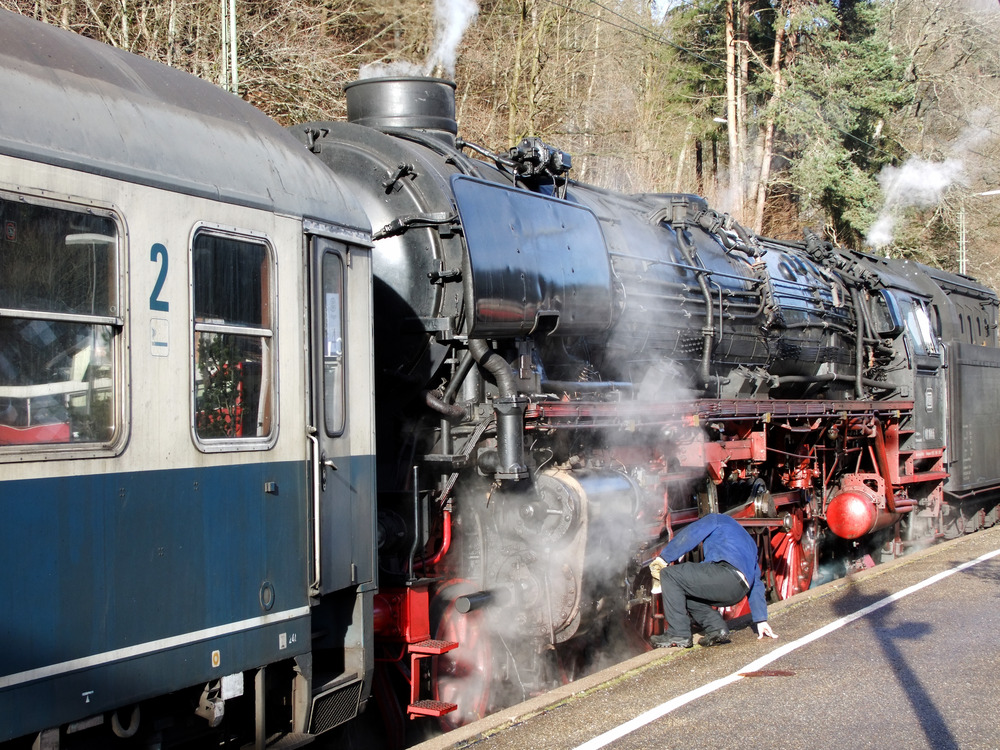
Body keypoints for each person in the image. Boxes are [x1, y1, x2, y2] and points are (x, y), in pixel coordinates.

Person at [647, 513, 778, 648]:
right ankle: (716, 628)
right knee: (688, 589)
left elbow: (691, 534)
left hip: (725, 575)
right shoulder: (749, 543)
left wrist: (665, 557)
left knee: (670, 575)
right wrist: (761, 619)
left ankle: (678, 633)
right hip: (739, 591)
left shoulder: (717, 519)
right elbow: (756, 582)